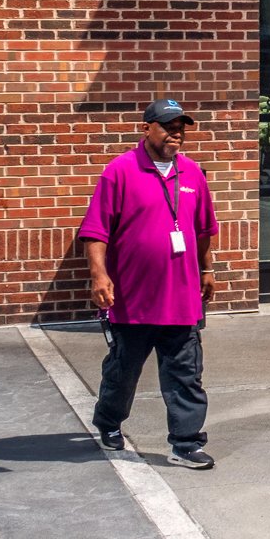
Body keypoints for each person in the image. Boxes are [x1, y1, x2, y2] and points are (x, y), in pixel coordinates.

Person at [77, 98, 220, 469]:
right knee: (123, 372)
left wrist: (207, 270)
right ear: (146, 129)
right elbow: (95, 231)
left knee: (185, 375)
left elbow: (204, 231)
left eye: (181, 128)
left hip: (182, 298)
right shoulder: (120, 171)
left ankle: (186, 443)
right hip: (132, 299)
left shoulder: (192, 175)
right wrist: (99, 275)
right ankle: (109, 422)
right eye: (168, 126)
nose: (176, 134)